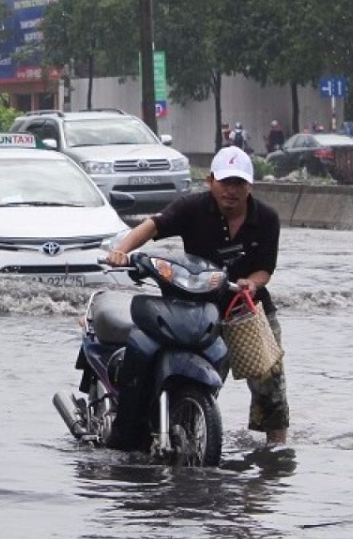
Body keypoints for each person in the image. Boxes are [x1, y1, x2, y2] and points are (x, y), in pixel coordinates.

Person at [106, 146, 287, 446]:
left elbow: (265, 269)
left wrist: (251, 284)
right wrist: (122, 252)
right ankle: (178, 426)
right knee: (189, 374)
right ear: (210, 180)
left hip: (246, 310)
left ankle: (276, 452)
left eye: (239, 183)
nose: (231, 191)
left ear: (249, 186)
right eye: (225, 182)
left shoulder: (267, 218)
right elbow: (153, 226)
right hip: (198, 310)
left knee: (271, 386)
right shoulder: (192, 208)